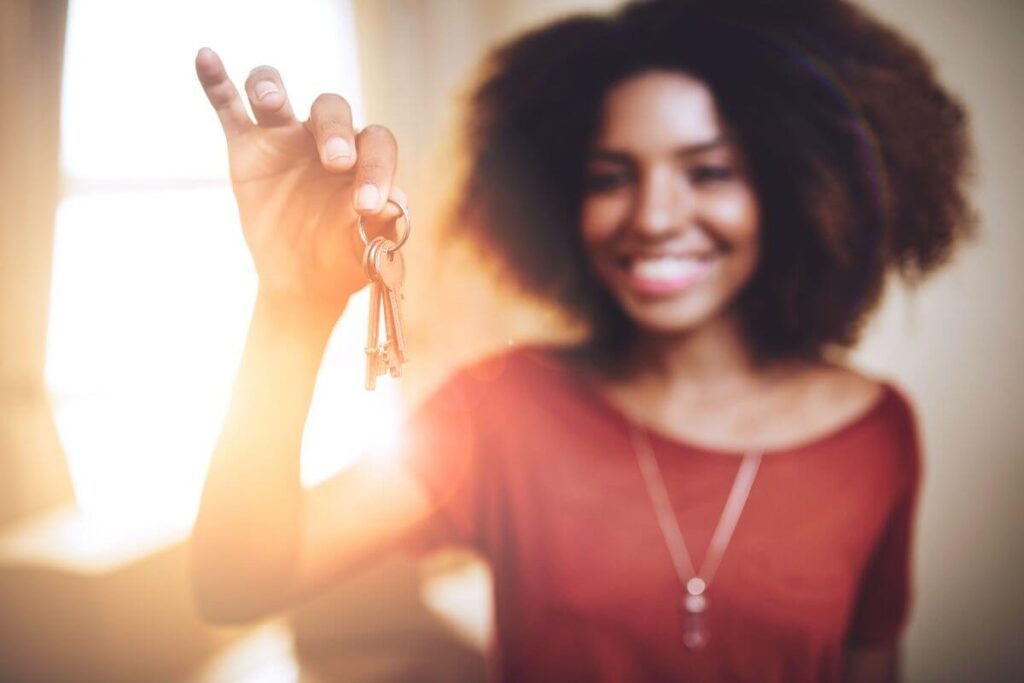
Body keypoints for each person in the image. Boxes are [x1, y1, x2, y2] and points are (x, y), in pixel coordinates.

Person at [189, 1, 975, 681]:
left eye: (708, 172)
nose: (655, 216)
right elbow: (238, 583)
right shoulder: (501, 410)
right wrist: (293, 309)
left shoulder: (875, 434)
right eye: (611, 176)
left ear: (796, 188)